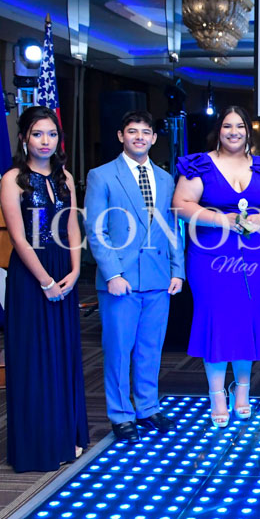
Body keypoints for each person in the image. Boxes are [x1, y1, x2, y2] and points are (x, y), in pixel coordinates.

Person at [172, 106, 260, 428]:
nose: (234, 132)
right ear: (218, 130)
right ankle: (216, 394)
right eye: (227, 126)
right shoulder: (199, 165)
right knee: (216, 319)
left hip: (254, 256)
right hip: (210, 256)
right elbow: (180, 206)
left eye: (240, 126)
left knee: (248, 317)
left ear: (248, 131)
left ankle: (242, 390)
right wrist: (222, 220)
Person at [85, 110, 185, 443]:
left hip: (158, 278)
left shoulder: (165, 178)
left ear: (154, 138)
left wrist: (177, 270)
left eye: (145, 132)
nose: (139, 137)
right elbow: (96, 230)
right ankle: (120, 414)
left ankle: (147, 407)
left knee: (150, 349)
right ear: (121, 136)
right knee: (118, 350)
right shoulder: (102, 176)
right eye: (132, 131)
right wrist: (112, 273)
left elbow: (172, 228)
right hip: (121, 280)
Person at [0, 105, 88, 471]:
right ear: (24, 138)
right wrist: (46, 281)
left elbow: (72, 226)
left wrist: (76, 270)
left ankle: (65, 435)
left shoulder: (64, 176)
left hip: (63, 267)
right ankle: (39, 445)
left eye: (51, 134)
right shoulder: (13, 179)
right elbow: (19, 238)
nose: (45, 141)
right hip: (31, 274)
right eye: (38, 134)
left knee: (63, 354)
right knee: (34, 358)